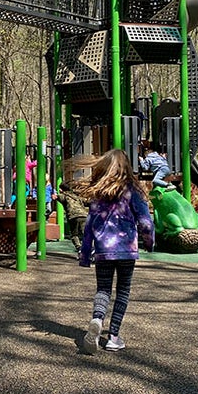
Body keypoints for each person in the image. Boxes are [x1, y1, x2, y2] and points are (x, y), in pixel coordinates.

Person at [78, 149, 154, 355]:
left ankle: (97, 319)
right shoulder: (132, 191)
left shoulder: (98, 194)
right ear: (127, 167)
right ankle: (113, 337)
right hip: (126, 250)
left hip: (103, 250)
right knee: (122, 291)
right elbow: (145, 221)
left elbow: (88, 226)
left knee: (103, 289)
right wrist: (149, 241)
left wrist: (85, 254)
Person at [54, 178, 88, 254]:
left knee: (74, 234)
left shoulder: (64, 196)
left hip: (73, 216)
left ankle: (79, 247)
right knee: (85, 233)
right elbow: (86, 201)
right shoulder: (76, 196)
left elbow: (57, 197)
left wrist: (55, 196)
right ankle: (89, 248)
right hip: (83, 215)